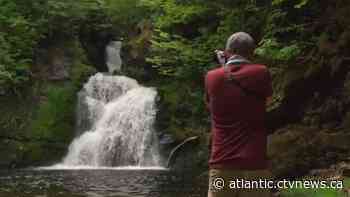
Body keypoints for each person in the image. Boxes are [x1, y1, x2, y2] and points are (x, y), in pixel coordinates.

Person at [205, 32, 273, 197]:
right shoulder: (262, 72)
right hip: (255, 161)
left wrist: (224, 66)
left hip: (222, 162)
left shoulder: (212, 77)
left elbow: (210, 106)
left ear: (227, 52)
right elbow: (268, 101)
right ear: (252, 52)